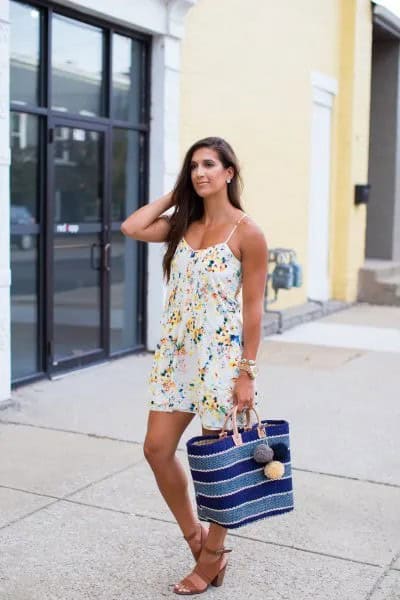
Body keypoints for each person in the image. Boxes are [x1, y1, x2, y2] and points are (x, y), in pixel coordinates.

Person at [121, 136, 268, 595]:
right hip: (177, 361)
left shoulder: (248, 233)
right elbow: (132, 226)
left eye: (209, 165)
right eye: (193, 167)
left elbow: (254, 310)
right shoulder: (182, 224)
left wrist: (246, 372)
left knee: (216, 465)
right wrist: (176, 192)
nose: (201, 172)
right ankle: (194, 537)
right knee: (156, 449)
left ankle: (213, 556)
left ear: (229, 172)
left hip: (222, 364)